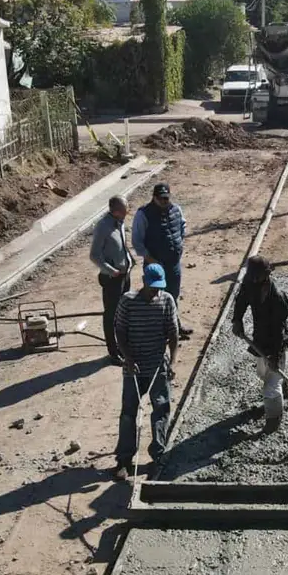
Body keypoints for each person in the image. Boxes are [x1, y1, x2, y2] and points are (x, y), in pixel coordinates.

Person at [112, 263, 180, 481]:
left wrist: (173, 363)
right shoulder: (128, 301)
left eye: (159, 287)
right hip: (133, 368)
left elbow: (173, 333)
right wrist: (128, 359)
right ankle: (124, 460)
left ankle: (158, 456)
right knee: (128, 413)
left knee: (161, 409)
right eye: (152, 287)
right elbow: (119, 332)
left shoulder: (166, 300)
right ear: (143, 282)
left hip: (157, 366)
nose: (155, 292)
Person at [232, 256, 288, 431]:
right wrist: (237, 320)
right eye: (252, 276)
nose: (254, 279)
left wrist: (276, 356)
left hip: (275, 343)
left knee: (270, 387)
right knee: (261, 373)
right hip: (260, 339)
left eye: (257, 276)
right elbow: (241, 300)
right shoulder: (250, 283)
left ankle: (273, 420)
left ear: (267, 274)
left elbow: (279, 331)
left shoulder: (277, 297)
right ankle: (282, 383)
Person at [133, 183, 193, 340]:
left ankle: (175, 326)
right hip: (154, 266)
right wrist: (151, 260)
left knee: (173, 295)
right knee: (155, 298)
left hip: (173, 263)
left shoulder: (176, 209)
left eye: (166, 198)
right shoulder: (143, 214)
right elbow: (137, 242)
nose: (164, 201)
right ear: (154, 197)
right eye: (161, 199)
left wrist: (178, 244)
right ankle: (158, 331)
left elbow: (182, 225)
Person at [90, 195, 135, 366]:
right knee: (111, 316)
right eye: (125, 209)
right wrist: (111, 270)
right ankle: (113, 352)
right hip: (112, 279)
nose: (128, 211)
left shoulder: (120, 223)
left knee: (124, 312)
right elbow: (94, 255)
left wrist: (129, 261)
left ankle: (124, 346)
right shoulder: (103, 227)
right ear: (115, 211)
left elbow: (121, 246)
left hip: (125, 275)